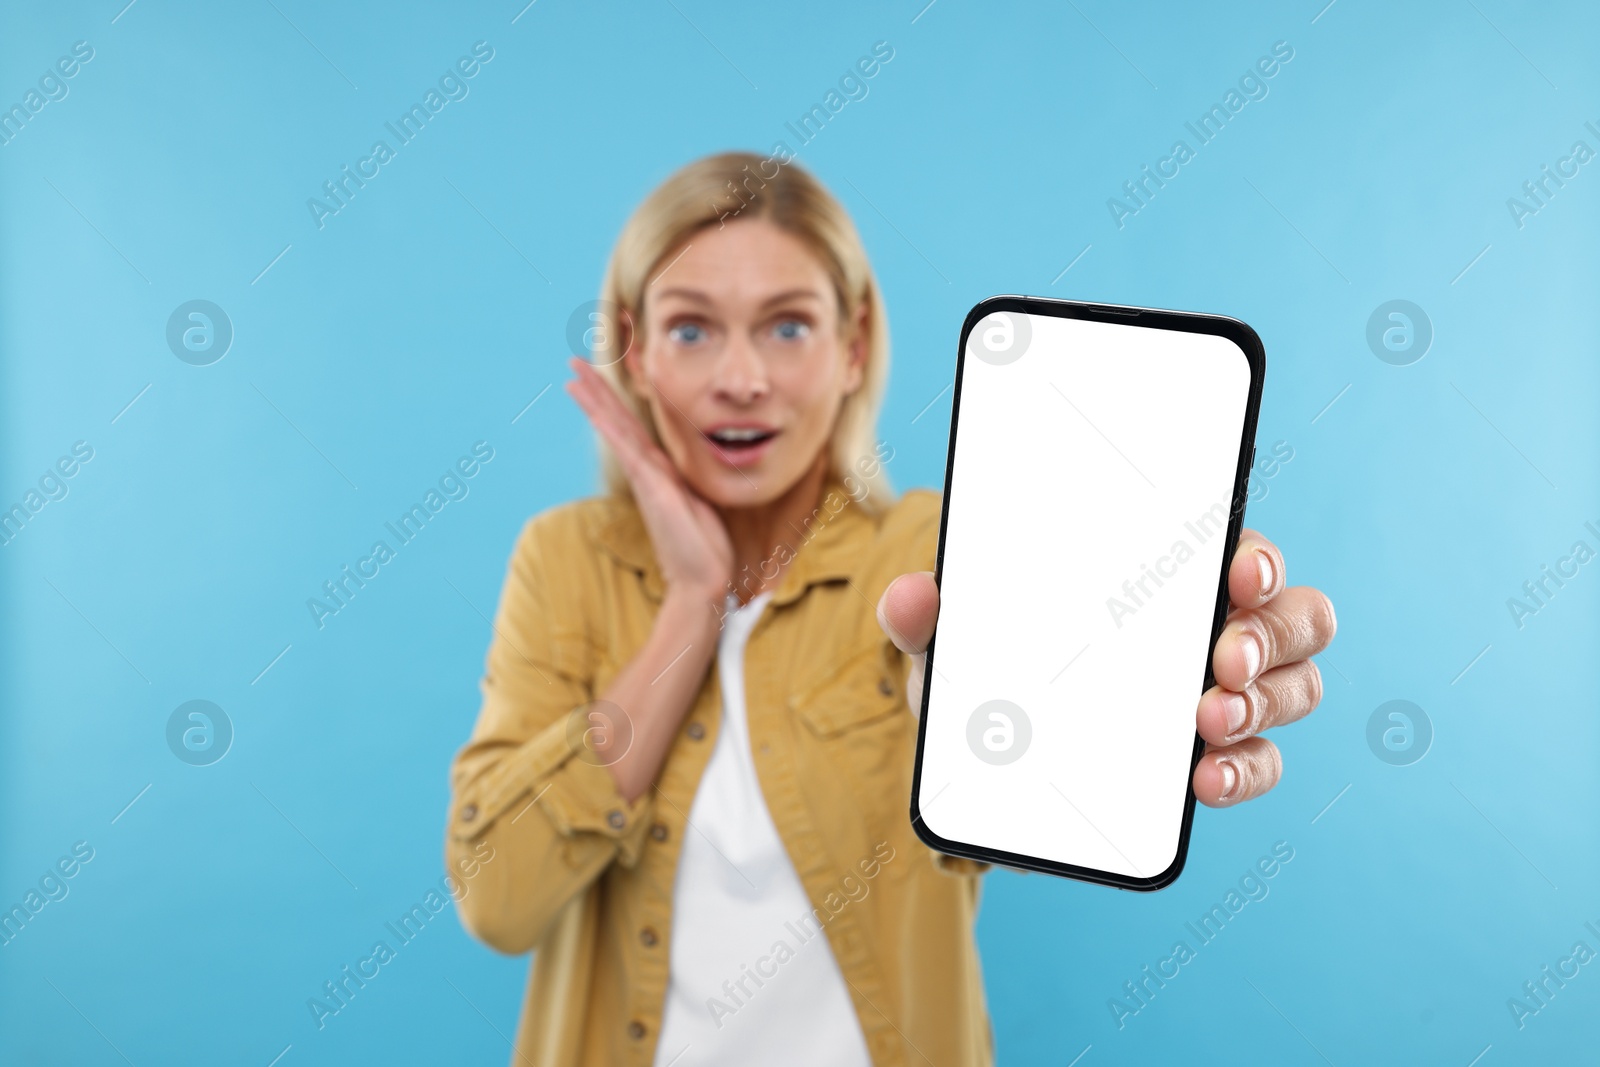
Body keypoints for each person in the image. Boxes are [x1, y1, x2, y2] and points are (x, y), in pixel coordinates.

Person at [445, 152, 1336, 1067]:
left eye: (787, 326)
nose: (742, 377)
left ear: (855, 346)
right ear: (633, 354)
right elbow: (499, 899)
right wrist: (693, 602)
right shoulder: (563, 561)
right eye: (691, 330)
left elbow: (1033, 731)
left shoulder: (934, 554)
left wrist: (1176, 623)